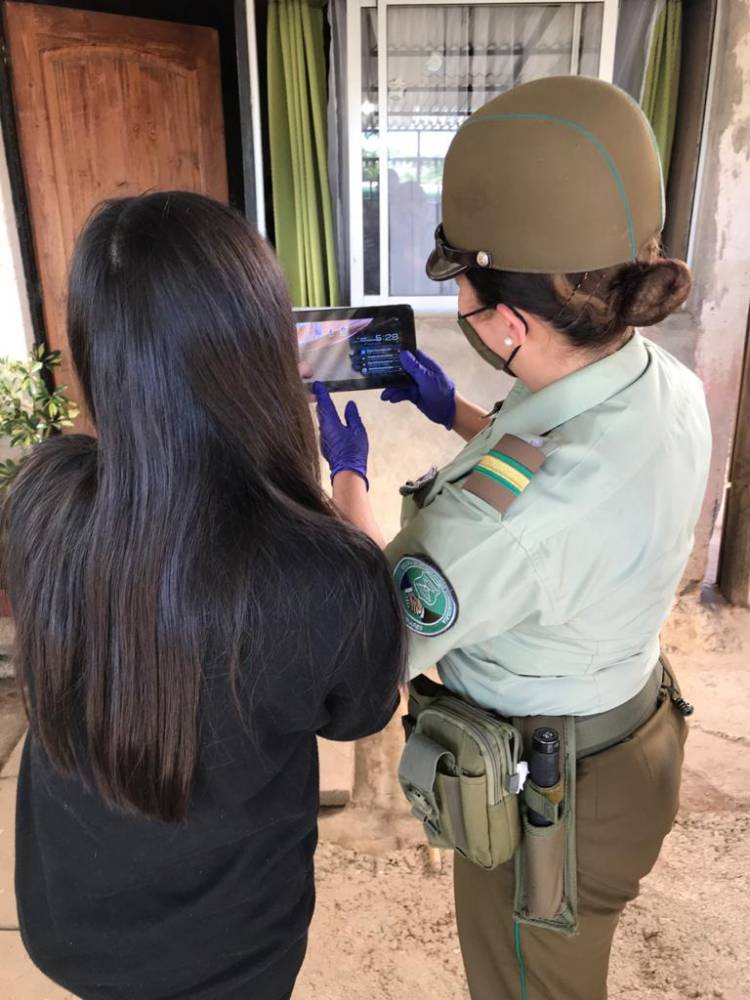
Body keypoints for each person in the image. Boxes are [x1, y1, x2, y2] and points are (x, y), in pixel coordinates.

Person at [314, 75, 711, 1000]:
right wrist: (453, 409)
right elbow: (556, 462)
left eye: (466, 291)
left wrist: (345, 478)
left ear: (506, 322)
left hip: (549, 802)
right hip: (631, 734)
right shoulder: (664, 383)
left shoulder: (497, 534)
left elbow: (367, 645)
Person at [3, 191, 405, 1000]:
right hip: (229, 947)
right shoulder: (323, 574)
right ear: (261, 348)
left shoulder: (41, 492)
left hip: (70, 917)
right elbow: (364, 708)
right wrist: (348, 482)